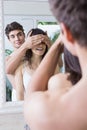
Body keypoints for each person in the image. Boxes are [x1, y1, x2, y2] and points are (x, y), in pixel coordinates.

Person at [24, 0, 87, 130]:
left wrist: (57, 45)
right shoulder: (23, 66)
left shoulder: (52, 112)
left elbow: (31, 96)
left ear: (67, 35)